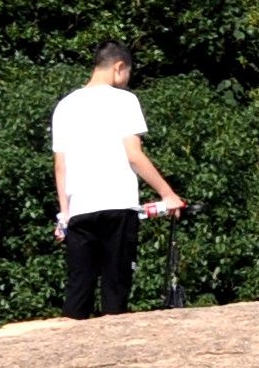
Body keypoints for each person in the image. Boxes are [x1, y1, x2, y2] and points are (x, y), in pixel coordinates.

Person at [49, 44, 183, 319]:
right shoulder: (125, 101)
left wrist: (65, 214)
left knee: (78, 289)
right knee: (115, 288)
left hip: (79, 211)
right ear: (119, 67)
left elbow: (60, 166)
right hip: (118, 206)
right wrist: (167, 194)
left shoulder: (64, 106)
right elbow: (134, 155)